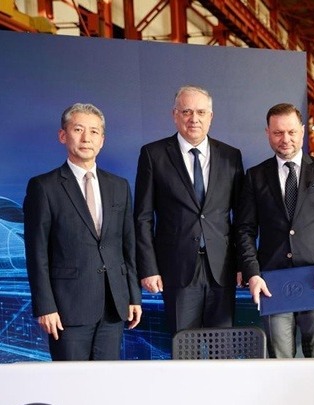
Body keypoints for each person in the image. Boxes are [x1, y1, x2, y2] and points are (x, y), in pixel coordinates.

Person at [24, 103, 142, 360]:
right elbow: (36, 253)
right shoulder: (44, 187)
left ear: (102, 140)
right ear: (63, 135)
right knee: (70, 382)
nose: (86, 138)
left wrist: (134, 296)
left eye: (94, 131)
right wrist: (45, 306)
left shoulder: (119, 186)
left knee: (107, 382)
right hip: (67, 309)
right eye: (78, 129)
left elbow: (128, 246)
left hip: (113, 306)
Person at [237, 103, 314, 358]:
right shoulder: (255, 176)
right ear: (268, 133)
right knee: (279, 362)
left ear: (302, 131)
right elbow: (245, 230)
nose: (285, 139)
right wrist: (252, 274)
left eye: (291, 132)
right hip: (272, 284)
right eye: (278, 133)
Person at [134, 85, 245, 335]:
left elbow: (241, 218)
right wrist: (149, 268)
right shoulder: (153, 155)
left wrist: (242, 265)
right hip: (176, 269)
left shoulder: (231, 156)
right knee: (184, 346)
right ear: (175, 115)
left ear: (211, 117)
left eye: (201, 112)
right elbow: (142, 218)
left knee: (221, 347)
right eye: (186, 111)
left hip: (222, 269)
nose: (194, 119)